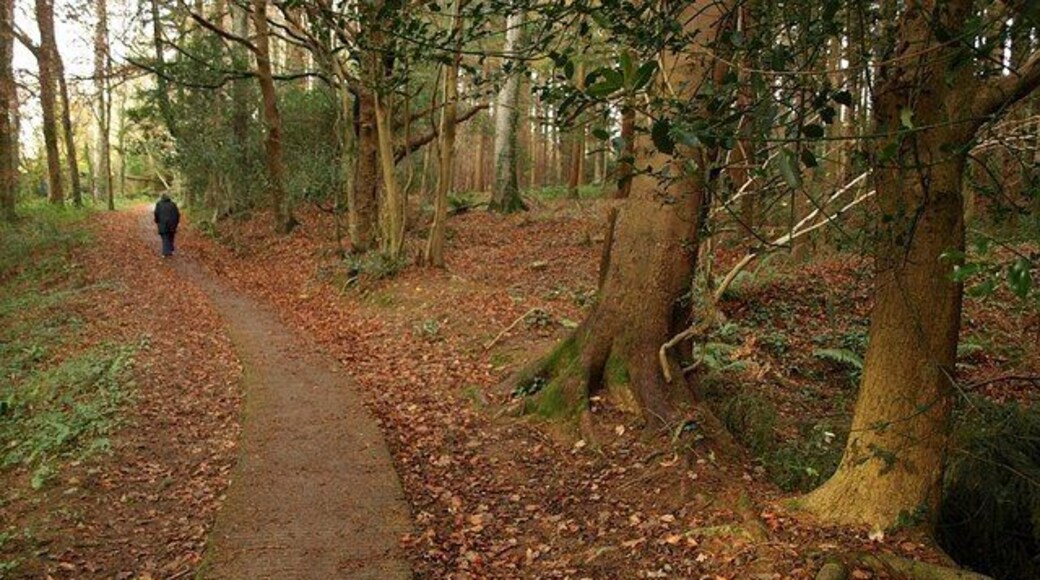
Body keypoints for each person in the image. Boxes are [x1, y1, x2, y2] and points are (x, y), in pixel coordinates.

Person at [154, 193, 180, 257]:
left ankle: (165, 252)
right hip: (172, 224)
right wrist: (176, 222)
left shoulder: (159, 204)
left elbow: (156, 213)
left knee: (165, 237)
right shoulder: (173, 204)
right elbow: (177, 214)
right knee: (171, 236)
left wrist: (157, 220)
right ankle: (170, 249)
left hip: (163, 224)